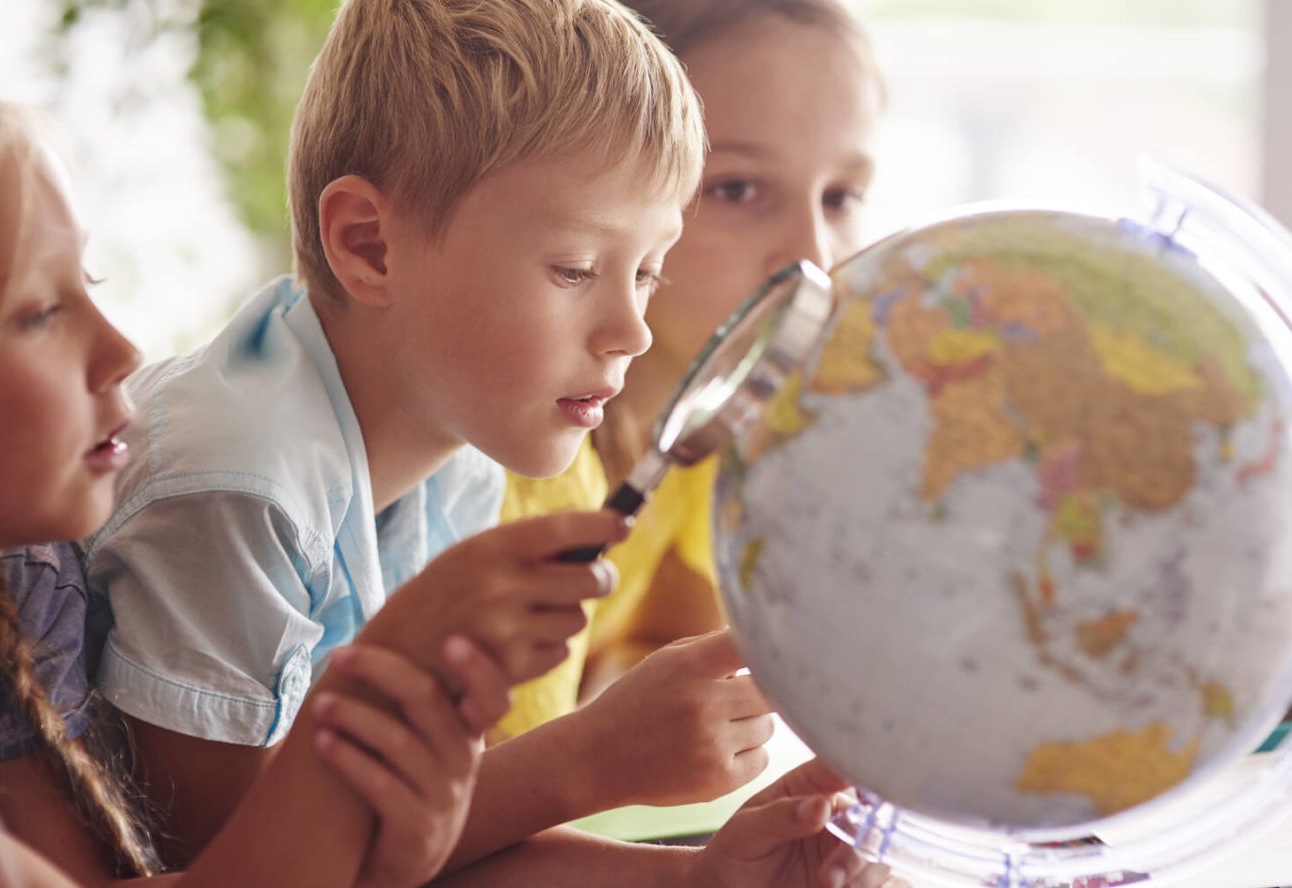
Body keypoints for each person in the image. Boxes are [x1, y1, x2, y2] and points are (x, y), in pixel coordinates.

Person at [73, 2, 900, 887]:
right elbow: (242, 859)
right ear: (369, 246)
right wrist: (587, 757)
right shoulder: (241, 487)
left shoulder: (457, 461)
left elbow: (410, 848)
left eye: (649, 271)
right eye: (577, 268)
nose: (633, 331)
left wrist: (702, 878)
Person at [0, 81, 522, 887]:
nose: (124, 349)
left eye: (92, 284)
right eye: (40, 312)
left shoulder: (20, 578)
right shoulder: (240, 479)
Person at [501, 0, 885, 727]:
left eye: (840, 197)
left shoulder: (713, 420)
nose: (814, 255)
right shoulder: (524, 471)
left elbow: (669, 640)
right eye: (736, 189)